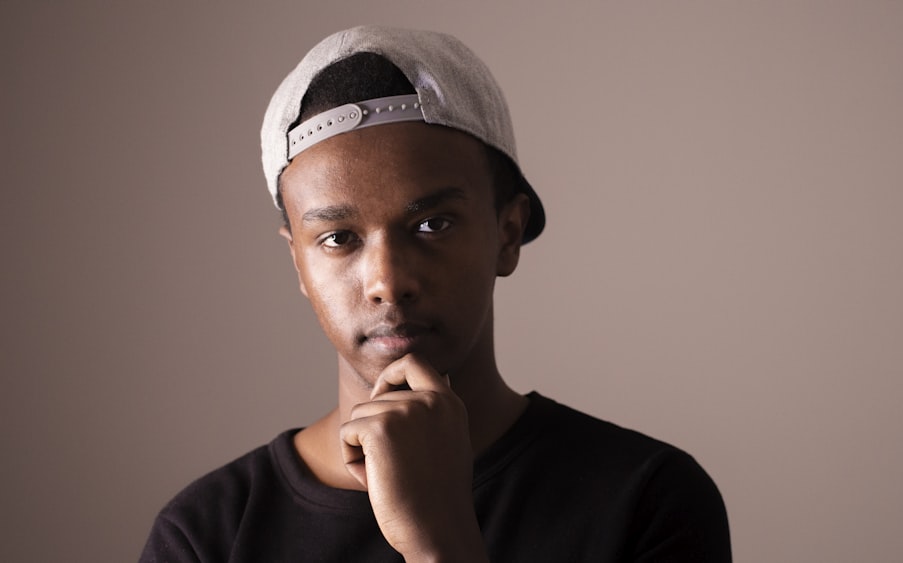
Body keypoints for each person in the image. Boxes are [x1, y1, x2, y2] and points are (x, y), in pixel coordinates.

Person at [140, 25, 731, 562]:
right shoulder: (206, 535)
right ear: (297, 262)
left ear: (507, 232)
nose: (389, 282)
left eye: (432, 225)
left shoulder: (648, 501)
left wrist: (440, 543)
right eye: (339, 238)